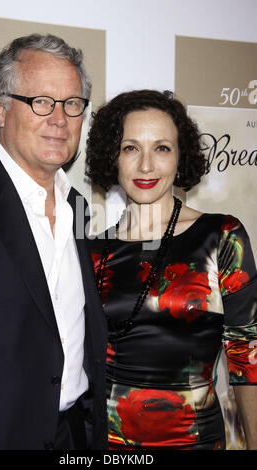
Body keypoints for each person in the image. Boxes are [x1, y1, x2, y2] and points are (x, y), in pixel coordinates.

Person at [0, 33, 107, 450]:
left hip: (76, 436)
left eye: (72, 104)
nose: (59, 119)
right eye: (41, 101)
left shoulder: (78, 206)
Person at [86, 89, 257, 450]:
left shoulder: (221, 237)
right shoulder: (92, 252)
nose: (146, 165)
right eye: (130, 148)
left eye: (161, 148)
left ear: (180, 158)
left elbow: (248, 357)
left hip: (194, 442)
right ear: (112, 158)